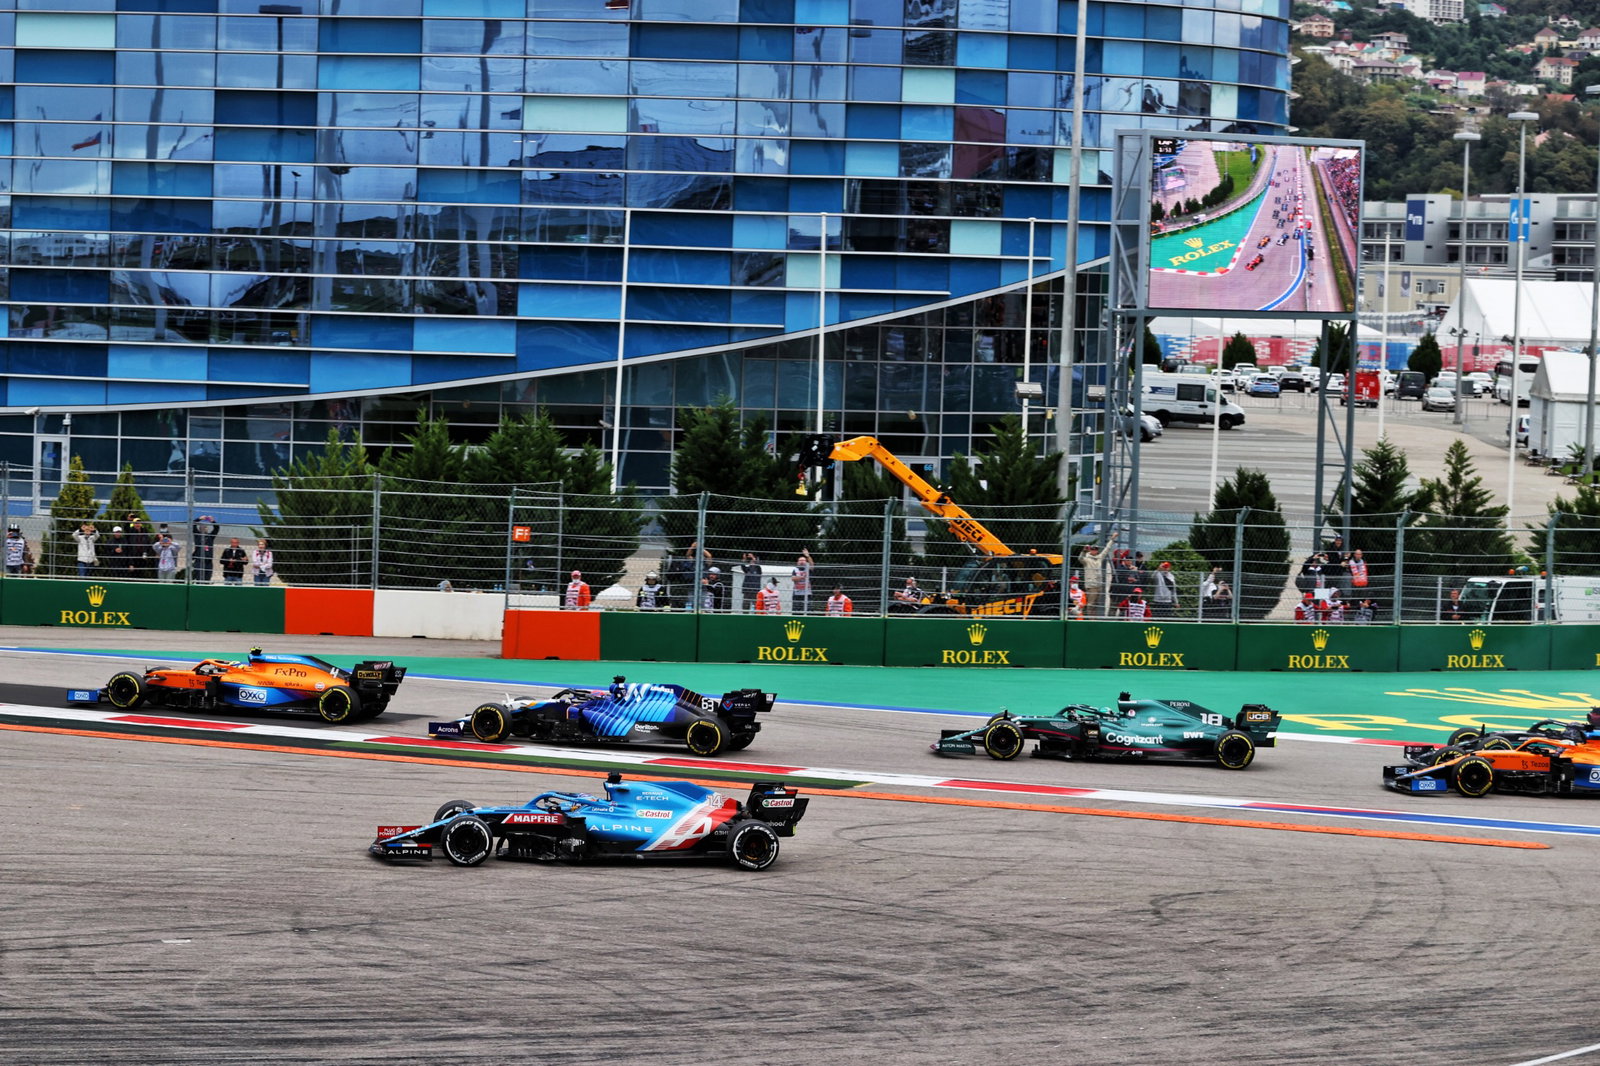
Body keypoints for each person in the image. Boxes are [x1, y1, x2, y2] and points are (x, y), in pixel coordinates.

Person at [1078, 530, 1118, 618]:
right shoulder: (1087, 559)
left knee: (1097, 604)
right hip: (1091, 585)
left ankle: (1095, 618)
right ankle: (1090, 619)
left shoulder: (1099, 558)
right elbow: (1080, 559)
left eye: (1095, 549)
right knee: (1091, 604)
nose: (1094, 551)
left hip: (1099, 585)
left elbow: (1106, 550)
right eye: (1092, 549)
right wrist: (1084, 551)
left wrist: (1112, 539)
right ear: (1090, 550)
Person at [191, 515, 218, 582]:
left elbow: (216, 528)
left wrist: (212, 521)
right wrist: (199, 519)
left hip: (208, 561)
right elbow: (192, 525)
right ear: (200, 528)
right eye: (202, 527)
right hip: (199, 560)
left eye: (205, 527)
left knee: (207, 579)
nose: (204, 528)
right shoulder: (197, 535)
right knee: (199, 579)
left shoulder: (210, 537)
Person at [790, 548, 814, 614]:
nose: (802, 562)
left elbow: (812, 565)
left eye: (803, 560)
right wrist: (802, 577)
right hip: (797, 594)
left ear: (806, 562)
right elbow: (793, 578)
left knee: (808, 610)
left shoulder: (808, 569)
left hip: (807, 593)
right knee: (796, 611)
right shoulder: (795, 569)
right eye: (800, 561)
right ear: (797, 562)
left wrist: (807, 556)